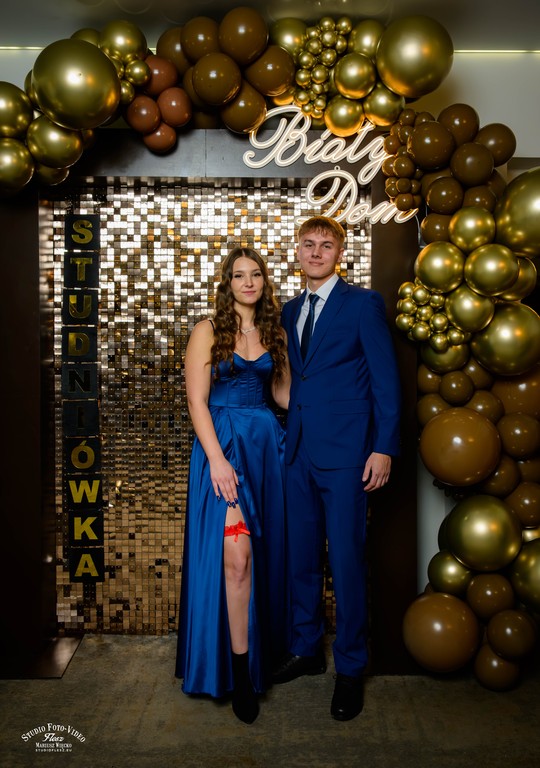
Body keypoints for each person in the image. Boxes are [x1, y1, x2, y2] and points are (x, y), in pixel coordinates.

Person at [273, 215, 401, 721]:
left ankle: (349, 668)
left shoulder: (362, 304)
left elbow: (386, 381)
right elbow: (294, 380)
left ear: (340, 253)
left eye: (326, 245)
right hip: (298, 452)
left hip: (348, 456)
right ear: (297, 251)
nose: (316, 252)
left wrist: (383, 447)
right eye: (308, 244)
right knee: (300, 558)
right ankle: (306, 648)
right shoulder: (289, 310)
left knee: (346, 562)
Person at [175, 247, 290, 724]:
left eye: (255, 274)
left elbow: (283, 395)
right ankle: (240, 674)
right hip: (221, 447)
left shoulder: (275, 332)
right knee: (237, 557)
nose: (248, 282)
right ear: (227, 284)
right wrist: (217, 461)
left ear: (264, 281)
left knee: (260, 555)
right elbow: (196, 401)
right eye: (238, 275)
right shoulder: (207, 330)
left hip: (265, 449)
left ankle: (255, 659)